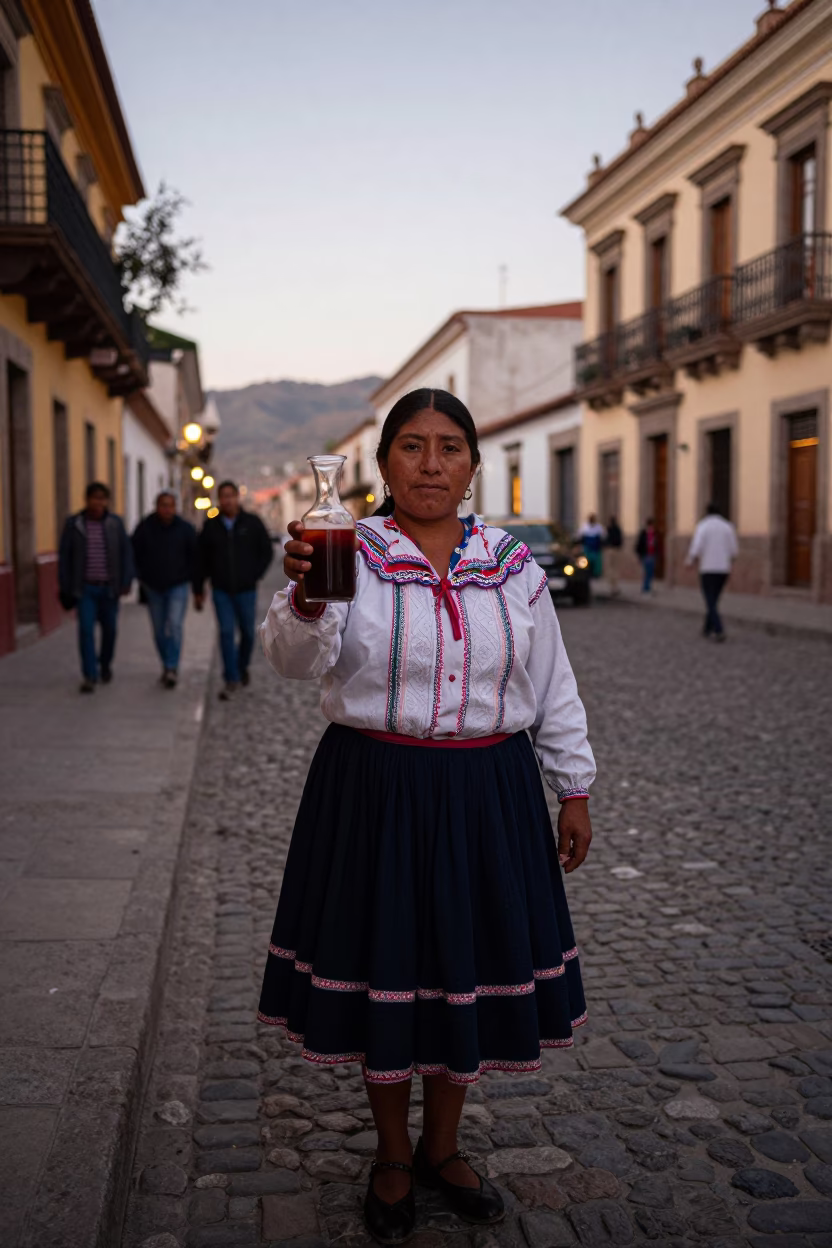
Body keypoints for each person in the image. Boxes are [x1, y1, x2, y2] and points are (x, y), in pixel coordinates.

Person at [258, 389, 595, 1245]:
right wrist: (302, 601)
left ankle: (446, 1147)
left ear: (475, 465)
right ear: (383, 466)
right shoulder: (346, 550)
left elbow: (550, 683)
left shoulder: (513, 566)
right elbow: (292, 663)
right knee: (388, 968)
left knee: (463, 970)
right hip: (374, 792)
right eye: (412, 446)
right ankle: (392, 1154)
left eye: (450, 447)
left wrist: (575, 786)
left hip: (490, 794)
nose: (432, 463)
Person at [193, 480, 274, 699]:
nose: (227, 500)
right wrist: (198, 589)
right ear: (219, 499)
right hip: (221, 590)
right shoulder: (211, 526)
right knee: (227, 633)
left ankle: (241, 667)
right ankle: (231, 678)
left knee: (248, 633)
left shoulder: (252, 522)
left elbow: (266, 551)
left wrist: (254, 575)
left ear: (237, 497)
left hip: (246, 590)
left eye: (231, 495)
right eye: (223, 496)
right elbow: (200, 560)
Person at [58, 481, 133, 693]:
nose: (98, 502)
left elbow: (126, 553)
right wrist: (65, 585)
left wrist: (126, 580)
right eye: (94, 498)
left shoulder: (115, 524)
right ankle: (89, 675)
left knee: (110, 630)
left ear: (106, 501)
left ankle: (105, 664)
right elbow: (65, 557)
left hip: (109, 588)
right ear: (87, 499)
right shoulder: (75, 525)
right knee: (85, 631)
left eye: (102, 498)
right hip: (85, 589)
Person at [132, 492, 197, 687]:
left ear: (175, 507)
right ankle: (166, 664)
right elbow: (134, 552)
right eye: (163, 505)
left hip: (178, 586)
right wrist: (140, 577)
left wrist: (196, 586)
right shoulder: (145, 527)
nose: (167, 509)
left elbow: (194, 556)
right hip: (153, 587)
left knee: (175, 626)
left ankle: (172, 667)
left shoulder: (185, 529)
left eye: (170, 505)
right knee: (159, 630)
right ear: (156, 506)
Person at [686, 503, 739, 641]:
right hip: (723, 569)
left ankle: (718, 629)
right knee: (714, 600)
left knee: (709, 600)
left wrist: (690, 561)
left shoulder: (703, 526)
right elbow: (734, 550)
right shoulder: (728, 527)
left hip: (708, 568)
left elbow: (696, 547)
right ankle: (707, 628)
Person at [578, 513, 605, 578]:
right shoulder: (585, 526)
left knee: (596, 563)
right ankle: (587, 573)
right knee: (586, 561)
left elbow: (603, 536)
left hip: (595, 548)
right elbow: (580, 535)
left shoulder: (598, 527)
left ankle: (596, 574)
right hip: (587, 548)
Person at [635, 518, 657, 594]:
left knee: (651, 572)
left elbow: (656, 545)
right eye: (650, 526)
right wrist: (639, 556)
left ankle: (648, 587)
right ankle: (645, 587)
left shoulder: (654, 534)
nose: (651, 528)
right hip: (646, 555)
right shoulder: (643, 534)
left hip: (652, 554)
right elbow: (639, 545)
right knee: (647, 571)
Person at [604, 515, 623, 596]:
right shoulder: (617, 529)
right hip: (615, 549)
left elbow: (605, 539)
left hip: (610, 549)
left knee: (611, 569)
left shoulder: (608, 529)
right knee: (615, 569)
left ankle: (612, 587)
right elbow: (620, 540)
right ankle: (614, 587)